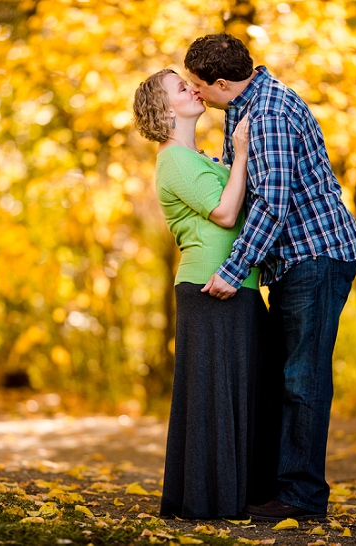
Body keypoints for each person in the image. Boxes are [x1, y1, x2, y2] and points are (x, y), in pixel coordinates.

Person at [183, 34, 356, 522]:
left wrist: (233, 269)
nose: (195, 93)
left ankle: (302, 498)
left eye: (199, 86)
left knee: (302, 380)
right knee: (285, 377)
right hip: (293, 261)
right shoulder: (243, 108)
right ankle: (280, 487)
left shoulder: (269, 115)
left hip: (317, 256)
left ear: (223, 82)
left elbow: (272, 204)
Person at [132, 69, 276, 519]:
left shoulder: (202, 159)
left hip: (241, 284)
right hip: (207, 289)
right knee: (215, 398)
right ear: (164, 108)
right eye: (180, 87)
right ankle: (207, 500)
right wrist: (242, 152)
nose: (192, 88)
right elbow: (227, 213)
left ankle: (241, 494)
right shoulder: (174, 160)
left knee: (248, 395)